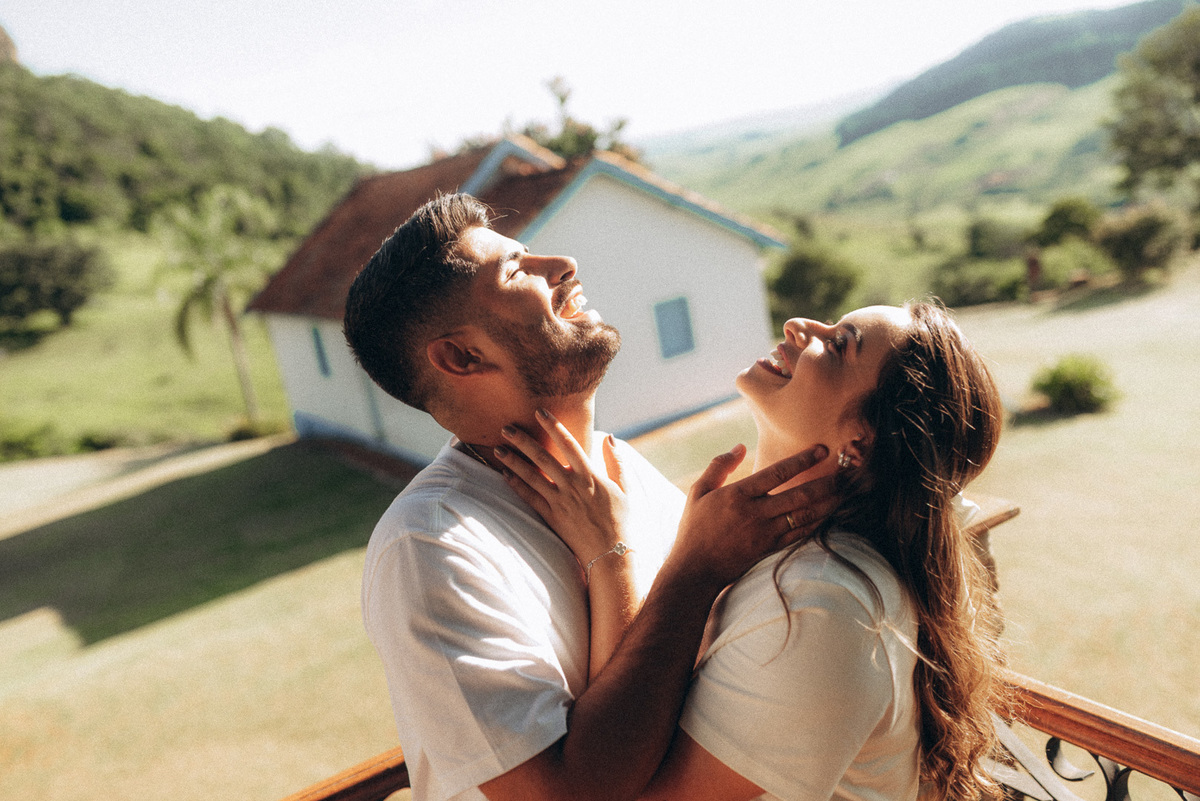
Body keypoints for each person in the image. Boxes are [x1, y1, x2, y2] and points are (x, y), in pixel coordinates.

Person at [343, 193, 833, 801]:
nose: (565, 263)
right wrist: (655, 561)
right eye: (518, 271)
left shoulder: (620, 465)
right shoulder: (430, 548)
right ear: (463, 356)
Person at [498, 301, 1011, 801]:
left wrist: (624, 557)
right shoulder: (773, 553)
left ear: (860, 442)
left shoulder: (822, 603)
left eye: (838, 345)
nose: (795, 325)